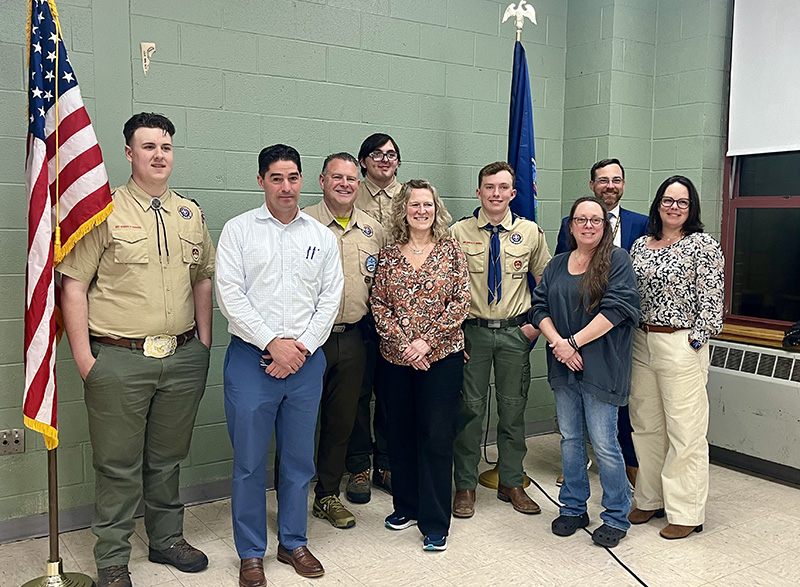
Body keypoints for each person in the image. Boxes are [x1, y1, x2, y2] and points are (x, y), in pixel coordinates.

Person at [58, 113, 214, 587]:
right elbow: (73, 286)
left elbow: (203, 276)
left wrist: (203, 344)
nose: (159, 155)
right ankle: (111, 558)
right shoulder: (104, 212)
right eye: (148, 147)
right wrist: (87, 362)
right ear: (129, 154)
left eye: (165, 146)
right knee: (118, 465)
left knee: (167, 459)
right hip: (119, 360)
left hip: (182, 357)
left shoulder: (190, 214)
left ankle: (166, 540)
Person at [215, 144, 343, 586]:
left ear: (302, 180)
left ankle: (293, 542)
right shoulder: (238, 231)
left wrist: (299, 348)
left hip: (305, 364)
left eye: (292, 178)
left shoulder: (320, 236)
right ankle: (251, 552)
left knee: (298, 459)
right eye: (276, 178)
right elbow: (230, 295)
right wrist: (273, 343)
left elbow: (330, 299)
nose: (285, 187)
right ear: (261, 181)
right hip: (252, 361)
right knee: (249, 463)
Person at [530, 196, 640, 548]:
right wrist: (560, 345)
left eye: (596, 220)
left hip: (603, 366)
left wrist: (572, 343)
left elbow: (618, 308)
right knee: (571, 439)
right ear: (571, 225)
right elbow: (539, 307)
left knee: (606, 444)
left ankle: (616, 515)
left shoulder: (617, 261)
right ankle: (574, 507)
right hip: (564, 365)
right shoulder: (558, 264)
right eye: (581, 219)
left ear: (604, 226)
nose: (589, 225)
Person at [370, 179, 470, 552]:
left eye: (427, 204)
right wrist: (404, 344)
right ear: (404, 210)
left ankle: (434, 521)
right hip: (396, 360)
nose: (421, 211)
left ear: (436, 208)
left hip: (440, 359)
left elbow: (461, 300)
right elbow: (378, 303)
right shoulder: (390, 253)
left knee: (436, 437)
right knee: (400, 434)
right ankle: (406, 507)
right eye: (414, 205)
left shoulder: (451, 250)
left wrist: (426, 342)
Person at [450, 162, 551, 518]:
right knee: (469, 412)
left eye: (502, 187)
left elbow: (547, 283)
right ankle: (465, 485)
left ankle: (511, 480)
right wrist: (453, 333)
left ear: (513, 193)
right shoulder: (458, 232)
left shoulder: (529, 233)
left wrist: (535, 327)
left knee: (513, 410)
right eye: (489, 187)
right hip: (472, 334)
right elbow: (446, 286)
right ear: (478, 192)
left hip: (514, 333)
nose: (495, 193)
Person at [627, 175, 724, 540]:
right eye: (668, 200)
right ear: (658, 204)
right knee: (646, 425)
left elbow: (713, 306)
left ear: (692, 208)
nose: (674, 207)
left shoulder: (703, 246)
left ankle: (686, 511)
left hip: (680, 343)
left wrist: (694, 344)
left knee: (686, 431)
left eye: (682, 202)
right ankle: (649, 498)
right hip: (641, 341)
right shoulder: (640, 246)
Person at [303, 153, 386, 529]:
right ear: (322, 180)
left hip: (353, 337)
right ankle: (288, 496)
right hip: (307, 342)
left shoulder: (373, 229)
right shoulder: (301, 223)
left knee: (342, 422)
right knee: (297, 421)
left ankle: (326, 496)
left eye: (352, 179)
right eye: (337, 177)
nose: (345, 184)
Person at [555, 158, 648, 487]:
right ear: (592, 184)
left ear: (623, 184)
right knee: (577, 410)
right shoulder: (571, 223)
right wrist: (564, 340)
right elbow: (556, 281)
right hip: (576, 333)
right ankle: (578, 464)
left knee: (619, 398)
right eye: (603, 180)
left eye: (616, 180)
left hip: (619, 330)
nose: (610, 185)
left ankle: (628, 462)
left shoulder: (643, 223)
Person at [345, 133, 402, 503]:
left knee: (392, 394)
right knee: (356, 394)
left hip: (401, 315)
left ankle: (388, 463)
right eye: (376, 154)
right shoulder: (349, 193)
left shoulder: (410, 197)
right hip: (361, 314)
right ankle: (358, 467)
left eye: (391, 155)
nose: (384, 160)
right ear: (363, 160)